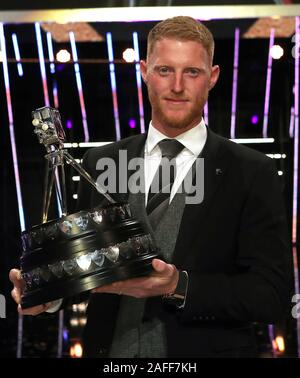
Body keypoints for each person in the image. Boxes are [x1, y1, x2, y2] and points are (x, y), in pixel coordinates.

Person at [10, 16, 291, 358]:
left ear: (212, 77)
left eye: (192, 72)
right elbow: (89, 270)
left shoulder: (251, 170)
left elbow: (272, 295)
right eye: (164, 70)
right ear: (144, 71)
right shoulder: (100, 163)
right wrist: (49, 294)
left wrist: (179, 286)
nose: (176, 85)